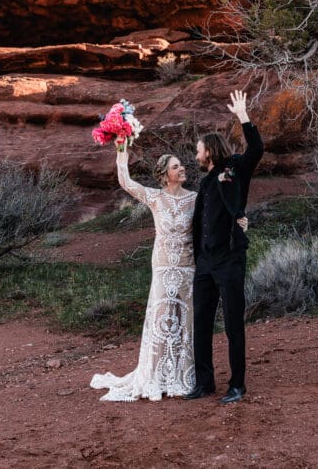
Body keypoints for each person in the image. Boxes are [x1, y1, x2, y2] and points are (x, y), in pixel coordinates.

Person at [89, 150, 197, 401]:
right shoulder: (155, 197)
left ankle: (183, 374)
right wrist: (121, 151)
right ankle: (157, 376)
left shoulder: (194, 198)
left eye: (181, 165)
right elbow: (126, 182)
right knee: (161, 316)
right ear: (164, 175)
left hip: (187, 265)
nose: (182, 169)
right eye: (176, 166)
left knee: (186, 319)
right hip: (161, 266)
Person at [184, 90, 264, 404]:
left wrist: (243, 115)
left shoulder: (235, 169)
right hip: (205, 262)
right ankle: (204, 383)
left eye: (198, 150)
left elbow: (257, 149)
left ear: (210, 151)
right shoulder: (204, 183)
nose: (195, 155)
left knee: (232, 322)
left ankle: (237, 385)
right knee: (201, 321)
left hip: (230, 257)